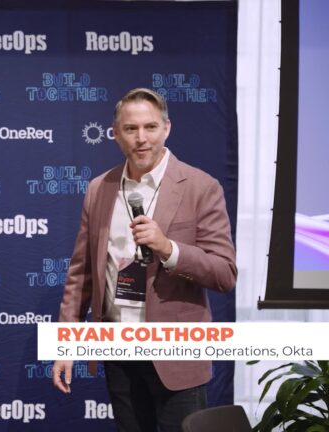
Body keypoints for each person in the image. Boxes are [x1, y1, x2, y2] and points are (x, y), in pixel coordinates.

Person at [51, 88, 236, 431]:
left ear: (167, 128)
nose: (141, 138)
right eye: (131, 129)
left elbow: (224, 274)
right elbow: (81, 276)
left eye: (150, 127)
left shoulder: (201, 186)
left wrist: (169, 249)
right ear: (114, 133)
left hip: (176, 354)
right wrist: (66, 344)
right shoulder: (99, 188)